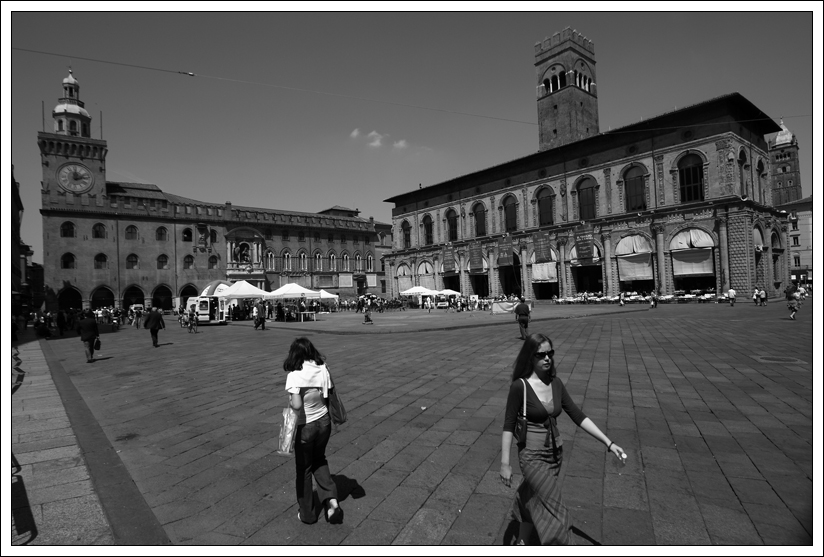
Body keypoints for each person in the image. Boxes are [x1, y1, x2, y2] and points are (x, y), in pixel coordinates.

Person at [500, 333, 625, 545]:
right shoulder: (520, 387)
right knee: (557, 510)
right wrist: (505, 463)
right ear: (530, 357)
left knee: (534, 495)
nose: (547, 358)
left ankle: (522, 540)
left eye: (550, 353)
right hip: (531, 456)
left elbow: (577, 415)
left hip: (555, 454)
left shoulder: (555, 383)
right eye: (541, 355)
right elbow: (508, 426)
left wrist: (609, 443)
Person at [283, 338, 343, 525]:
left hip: (306, 426)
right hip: (324, 423)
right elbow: (327, 396)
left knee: (304, 469)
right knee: (319, 459)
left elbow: (297, 405)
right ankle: (332, 502)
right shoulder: (322, 368)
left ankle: (308, 514)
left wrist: (292, 400)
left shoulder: (295, 374)